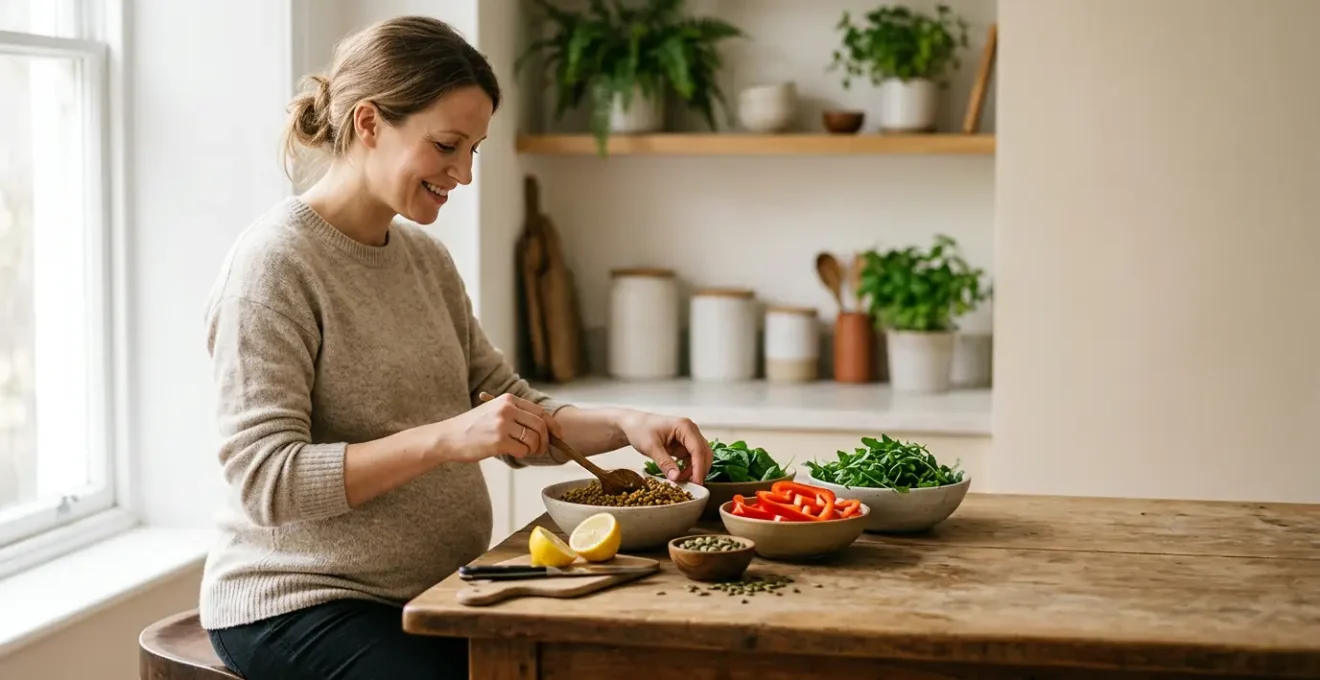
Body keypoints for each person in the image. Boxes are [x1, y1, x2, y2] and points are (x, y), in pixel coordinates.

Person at [199, 15, 713, 680]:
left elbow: (513, 411)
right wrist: (448, 438)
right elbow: (268, 482)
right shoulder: (274, 266)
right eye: (447, 145)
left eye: (474, 149)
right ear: (368, 123)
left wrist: (627, 424)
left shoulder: (424, 259)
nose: (463, 174)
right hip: (302, 602)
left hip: (441, 588)